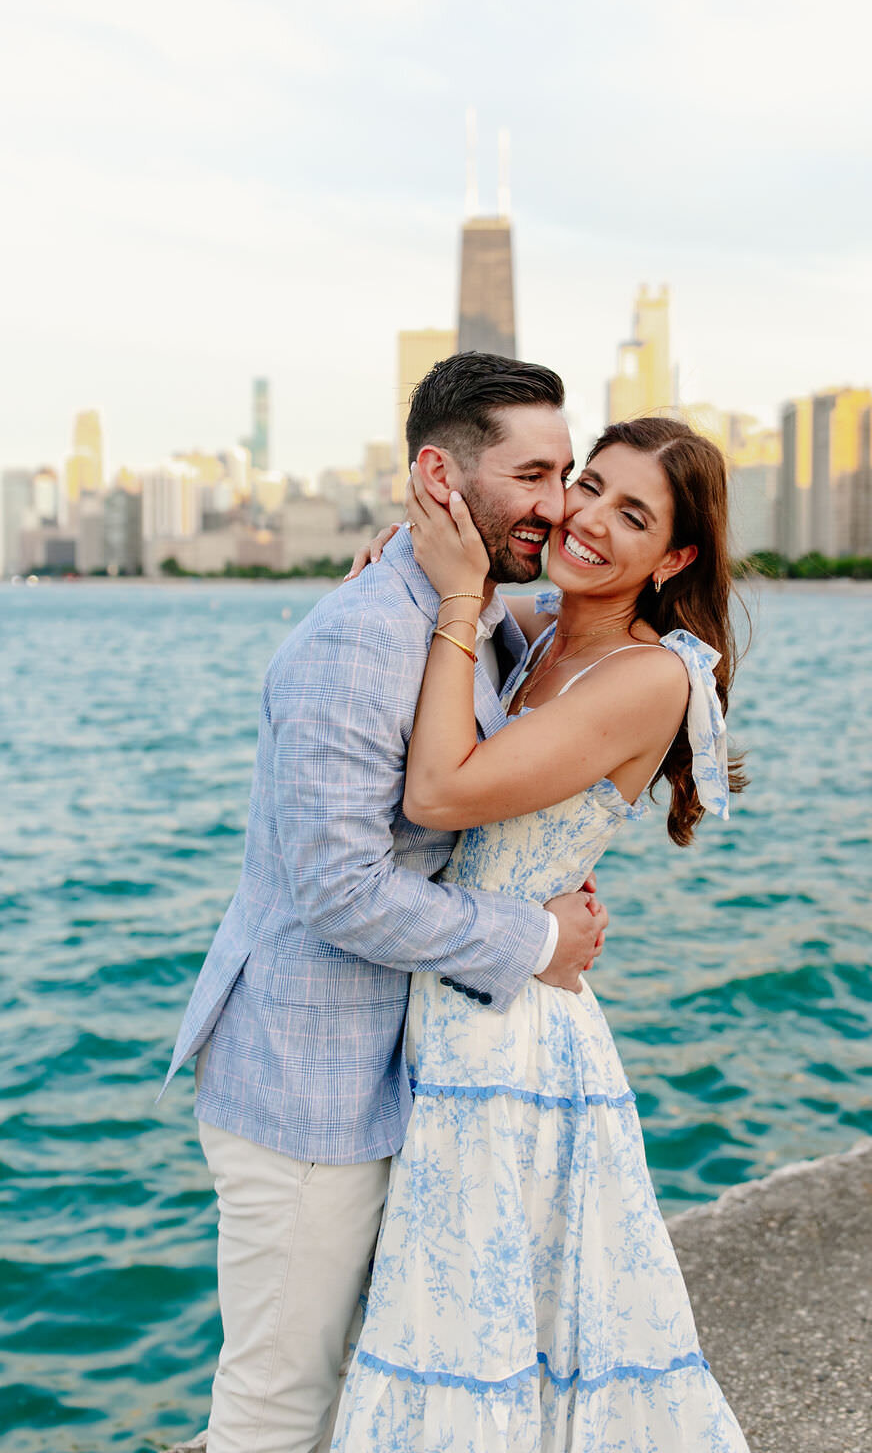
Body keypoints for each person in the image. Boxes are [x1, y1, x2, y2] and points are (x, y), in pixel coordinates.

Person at [160, 353, 610, 1453]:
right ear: (439, 475)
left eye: (568, 472)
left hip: (399, 1073)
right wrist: (538, 936)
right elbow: (342, 893)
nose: (557, 505)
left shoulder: (475, 614)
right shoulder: (362, 638)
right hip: (306, 1092)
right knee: (277, 1404)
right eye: (534, 474)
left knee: (375, 1388)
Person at [331, 417, 750, 1451]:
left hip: (510, 1039)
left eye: (633, 513)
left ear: (677, 556)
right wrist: (409, 580)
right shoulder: (535, 634)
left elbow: (439, 792)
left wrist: (459, 599)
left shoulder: (647, 677)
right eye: (587, 485)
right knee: (456, 1320)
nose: (591, 520)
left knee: (474, 1331)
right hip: (455, 998)